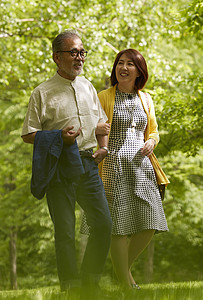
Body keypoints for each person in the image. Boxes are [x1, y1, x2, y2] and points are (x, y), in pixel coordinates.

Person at [21, 30, 112, 296]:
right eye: (73, 52)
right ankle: (71, 288)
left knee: (103, 223)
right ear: (56, 58)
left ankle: (89, 282)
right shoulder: (42, 92)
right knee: (65, 231)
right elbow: (28, 134)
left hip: (87, 163)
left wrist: (104, 146)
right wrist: (58, 138)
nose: (79, 57)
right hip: (59, 165)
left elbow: (101, 122)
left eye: (82, 52)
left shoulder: (88, 86)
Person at [81, 49, 168, 289]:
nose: (124, 67)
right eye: (120, 63)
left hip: (142, 167)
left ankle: (121, 272)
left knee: (152, 220)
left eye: (130, 64)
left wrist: (152, 141)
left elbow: (153, 131)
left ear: (139, 70)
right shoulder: (104, 96)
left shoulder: (145, 98)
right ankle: (127, 285)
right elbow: (91, 125)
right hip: (113, 165)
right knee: (118, 226)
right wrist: (98, 132)